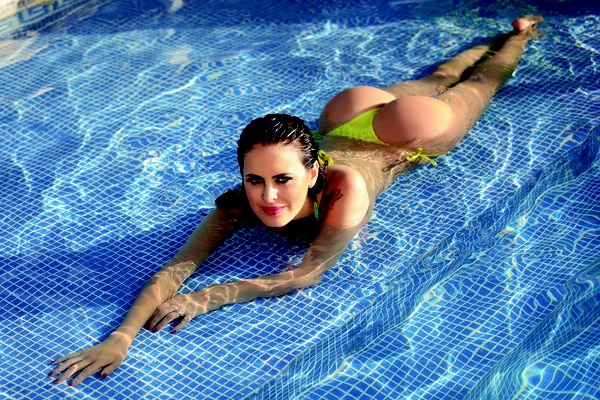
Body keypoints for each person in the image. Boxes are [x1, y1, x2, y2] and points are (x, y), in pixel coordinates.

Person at [49, 15, 543, 386]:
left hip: (411, 132)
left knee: (481, 82)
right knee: (442, 77)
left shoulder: (343, 189)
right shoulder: (238, 203)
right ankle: (496, 38)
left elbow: (307, 272)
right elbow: (177, 267)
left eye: (283, 179)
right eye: (254, 180)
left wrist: (207, 298)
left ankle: (519, 35)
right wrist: (121, 338)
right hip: (348, 116)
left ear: (312, 172)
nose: (268, 196)